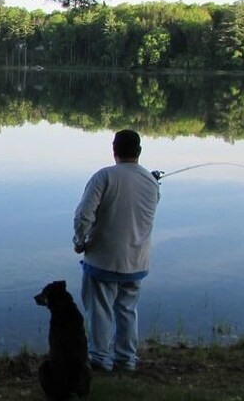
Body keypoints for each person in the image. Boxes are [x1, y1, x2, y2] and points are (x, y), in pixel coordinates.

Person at [73, 129, 160, 372]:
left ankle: (100, 358)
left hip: (102, 260)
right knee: (127, 311)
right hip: (136, 262)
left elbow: (83, 216)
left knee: (99, 311)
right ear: (139, 152)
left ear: (114, 150)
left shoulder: (104, 177)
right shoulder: (151, 183)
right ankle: (126, 360)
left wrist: (80, 241)